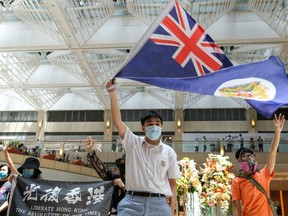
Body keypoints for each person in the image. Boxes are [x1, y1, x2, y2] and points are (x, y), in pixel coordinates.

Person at [106, 79, 180, 216]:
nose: (154, 126)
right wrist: (112, 93)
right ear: (143, 128)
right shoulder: (133, 143)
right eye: (150, 123)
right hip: (132, 203)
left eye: (157, 123)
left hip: (159, 204)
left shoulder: (169, 152)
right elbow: (117, 122)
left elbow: (173, 183)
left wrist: (172, 209)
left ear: (161, 127)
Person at [232, 113, 285, 216]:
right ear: (240, 161)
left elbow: (272, 152)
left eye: (251, 156)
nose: (249, 158)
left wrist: (278, 131)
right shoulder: (237, 181)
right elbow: (236, 205)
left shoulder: (264, 174)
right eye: (245, 156)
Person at [86, 136, 126, 215]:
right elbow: (102, 169)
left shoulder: (137, 181)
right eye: (122, 164)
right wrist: (90, 152)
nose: (124, 166)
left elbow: (139, 198)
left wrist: (124, 187)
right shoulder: (115, 178)